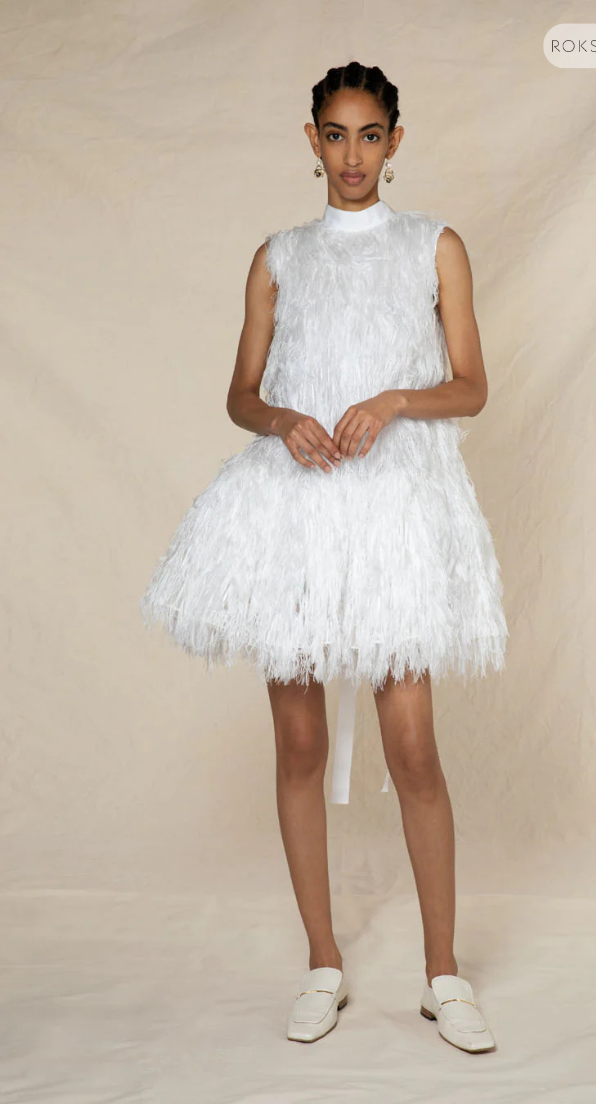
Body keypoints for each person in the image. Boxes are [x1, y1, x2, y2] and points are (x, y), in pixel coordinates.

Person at [140, 60, 508, 1053]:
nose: (352, 154)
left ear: (395, 141)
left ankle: (442, 972)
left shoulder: (435, 245)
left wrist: (393, 399)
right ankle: (322, 960)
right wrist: (284, 420)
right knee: (299, 744)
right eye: (334, 135)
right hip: (293, 511)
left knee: (413, 746)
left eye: (369, 134)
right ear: (312, 143)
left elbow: (471, 386)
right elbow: (240, 393)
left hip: (394, 513)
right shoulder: (277, 256)